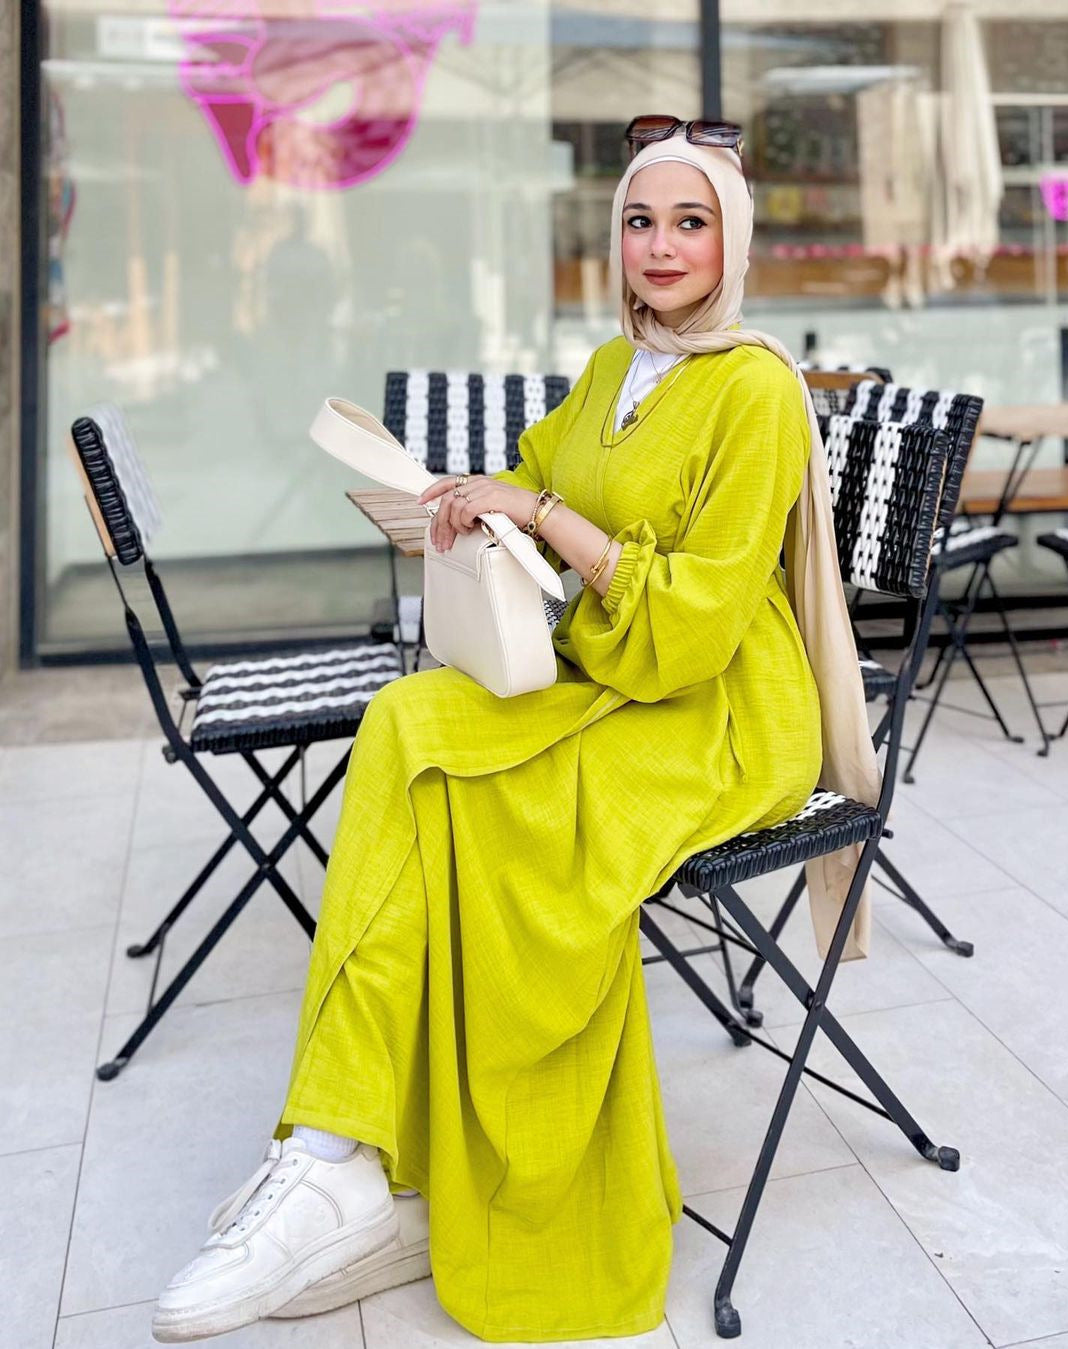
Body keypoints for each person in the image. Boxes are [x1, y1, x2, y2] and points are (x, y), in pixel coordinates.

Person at [152, 117, 876, 1345]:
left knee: (480, 794)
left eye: (690, 222)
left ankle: (416, 1161)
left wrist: (540, 513)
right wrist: (459, 503)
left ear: (732, 240)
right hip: (608, 669)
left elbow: (694, 627)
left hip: (718, 710)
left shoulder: (755, 387)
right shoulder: (613, 367)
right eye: (640, 220)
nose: (659, 246)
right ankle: (337, 1147)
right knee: (405, 722)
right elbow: (536, 474)